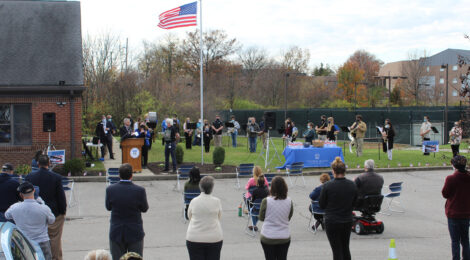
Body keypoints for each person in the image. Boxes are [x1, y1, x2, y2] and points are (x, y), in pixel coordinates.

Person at [26, 155, 67, 260]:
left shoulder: (30, 177)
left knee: (36, 238)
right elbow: (60, 196)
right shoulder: (56, 177)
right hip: (54, 212)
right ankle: (55, 258)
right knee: (55, 239)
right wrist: (63, 211)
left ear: (38, 164)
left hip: (35, 212)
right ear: (49, 164)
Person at [105, 164, 149, 260]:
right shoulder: (139, 190)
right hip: (134, 231)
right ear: (131, 175)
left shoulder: (110, 190)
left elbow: (108, 207)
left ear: (119, 175)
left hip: (117, 231)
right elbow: (144, 208)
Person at [319, 157, 357, 260]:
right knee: (345, 248)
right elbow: (355, 203)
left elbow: (321, 204)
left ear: (333, 171)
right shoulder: (352, 185)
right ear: (344, 171)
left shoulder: (327, 186)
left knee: (337, 250)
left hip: (332, 220)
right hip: (347, 219)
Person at [5, 181, 55, 260]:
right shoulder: (44, 208)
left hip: (24, 242)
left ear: (21, 195)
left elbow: (7, 215)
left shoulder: (15, 207)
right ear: (34, 191)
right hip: (42, 241)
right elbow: (52, 221)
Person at [186, 176, 223, 260]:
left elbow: (189, 216)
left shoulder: (194, 201)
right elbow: (219, 217)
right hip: (214, 238)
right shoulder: (217, 201)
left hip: (194, 238)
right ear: (212, 188)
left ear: (200, 187)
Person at [442, 155, 470, 260]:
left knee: (455, 241)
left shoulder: (451, 178)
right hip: (466, 213)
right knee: (465, 240)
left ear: (454, 165)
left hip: (454, 213)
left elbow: (445, 194)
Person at [259, 176, 293, 260]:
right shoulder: (289, 201)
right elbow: (288, 217)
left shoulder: (266, 201)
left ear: (272, 188)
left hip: (268, 236)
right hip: (284, 236)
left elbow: (261, 218)